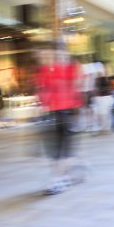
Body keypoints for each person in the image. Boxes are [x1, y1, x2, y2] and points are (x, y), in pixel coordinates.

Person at [36, 42, 84, 195]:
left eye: (59, 54)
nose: (57, 57)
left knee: (63, 150)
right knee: (57, 150)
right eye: (55, 55)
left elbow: (80, 85)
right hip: (54, 113)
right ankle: (63, 178)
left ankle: (59, 180)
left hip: (68, 112)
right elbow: (43, 90)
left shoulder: (72, 68)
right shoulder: (48, 70)